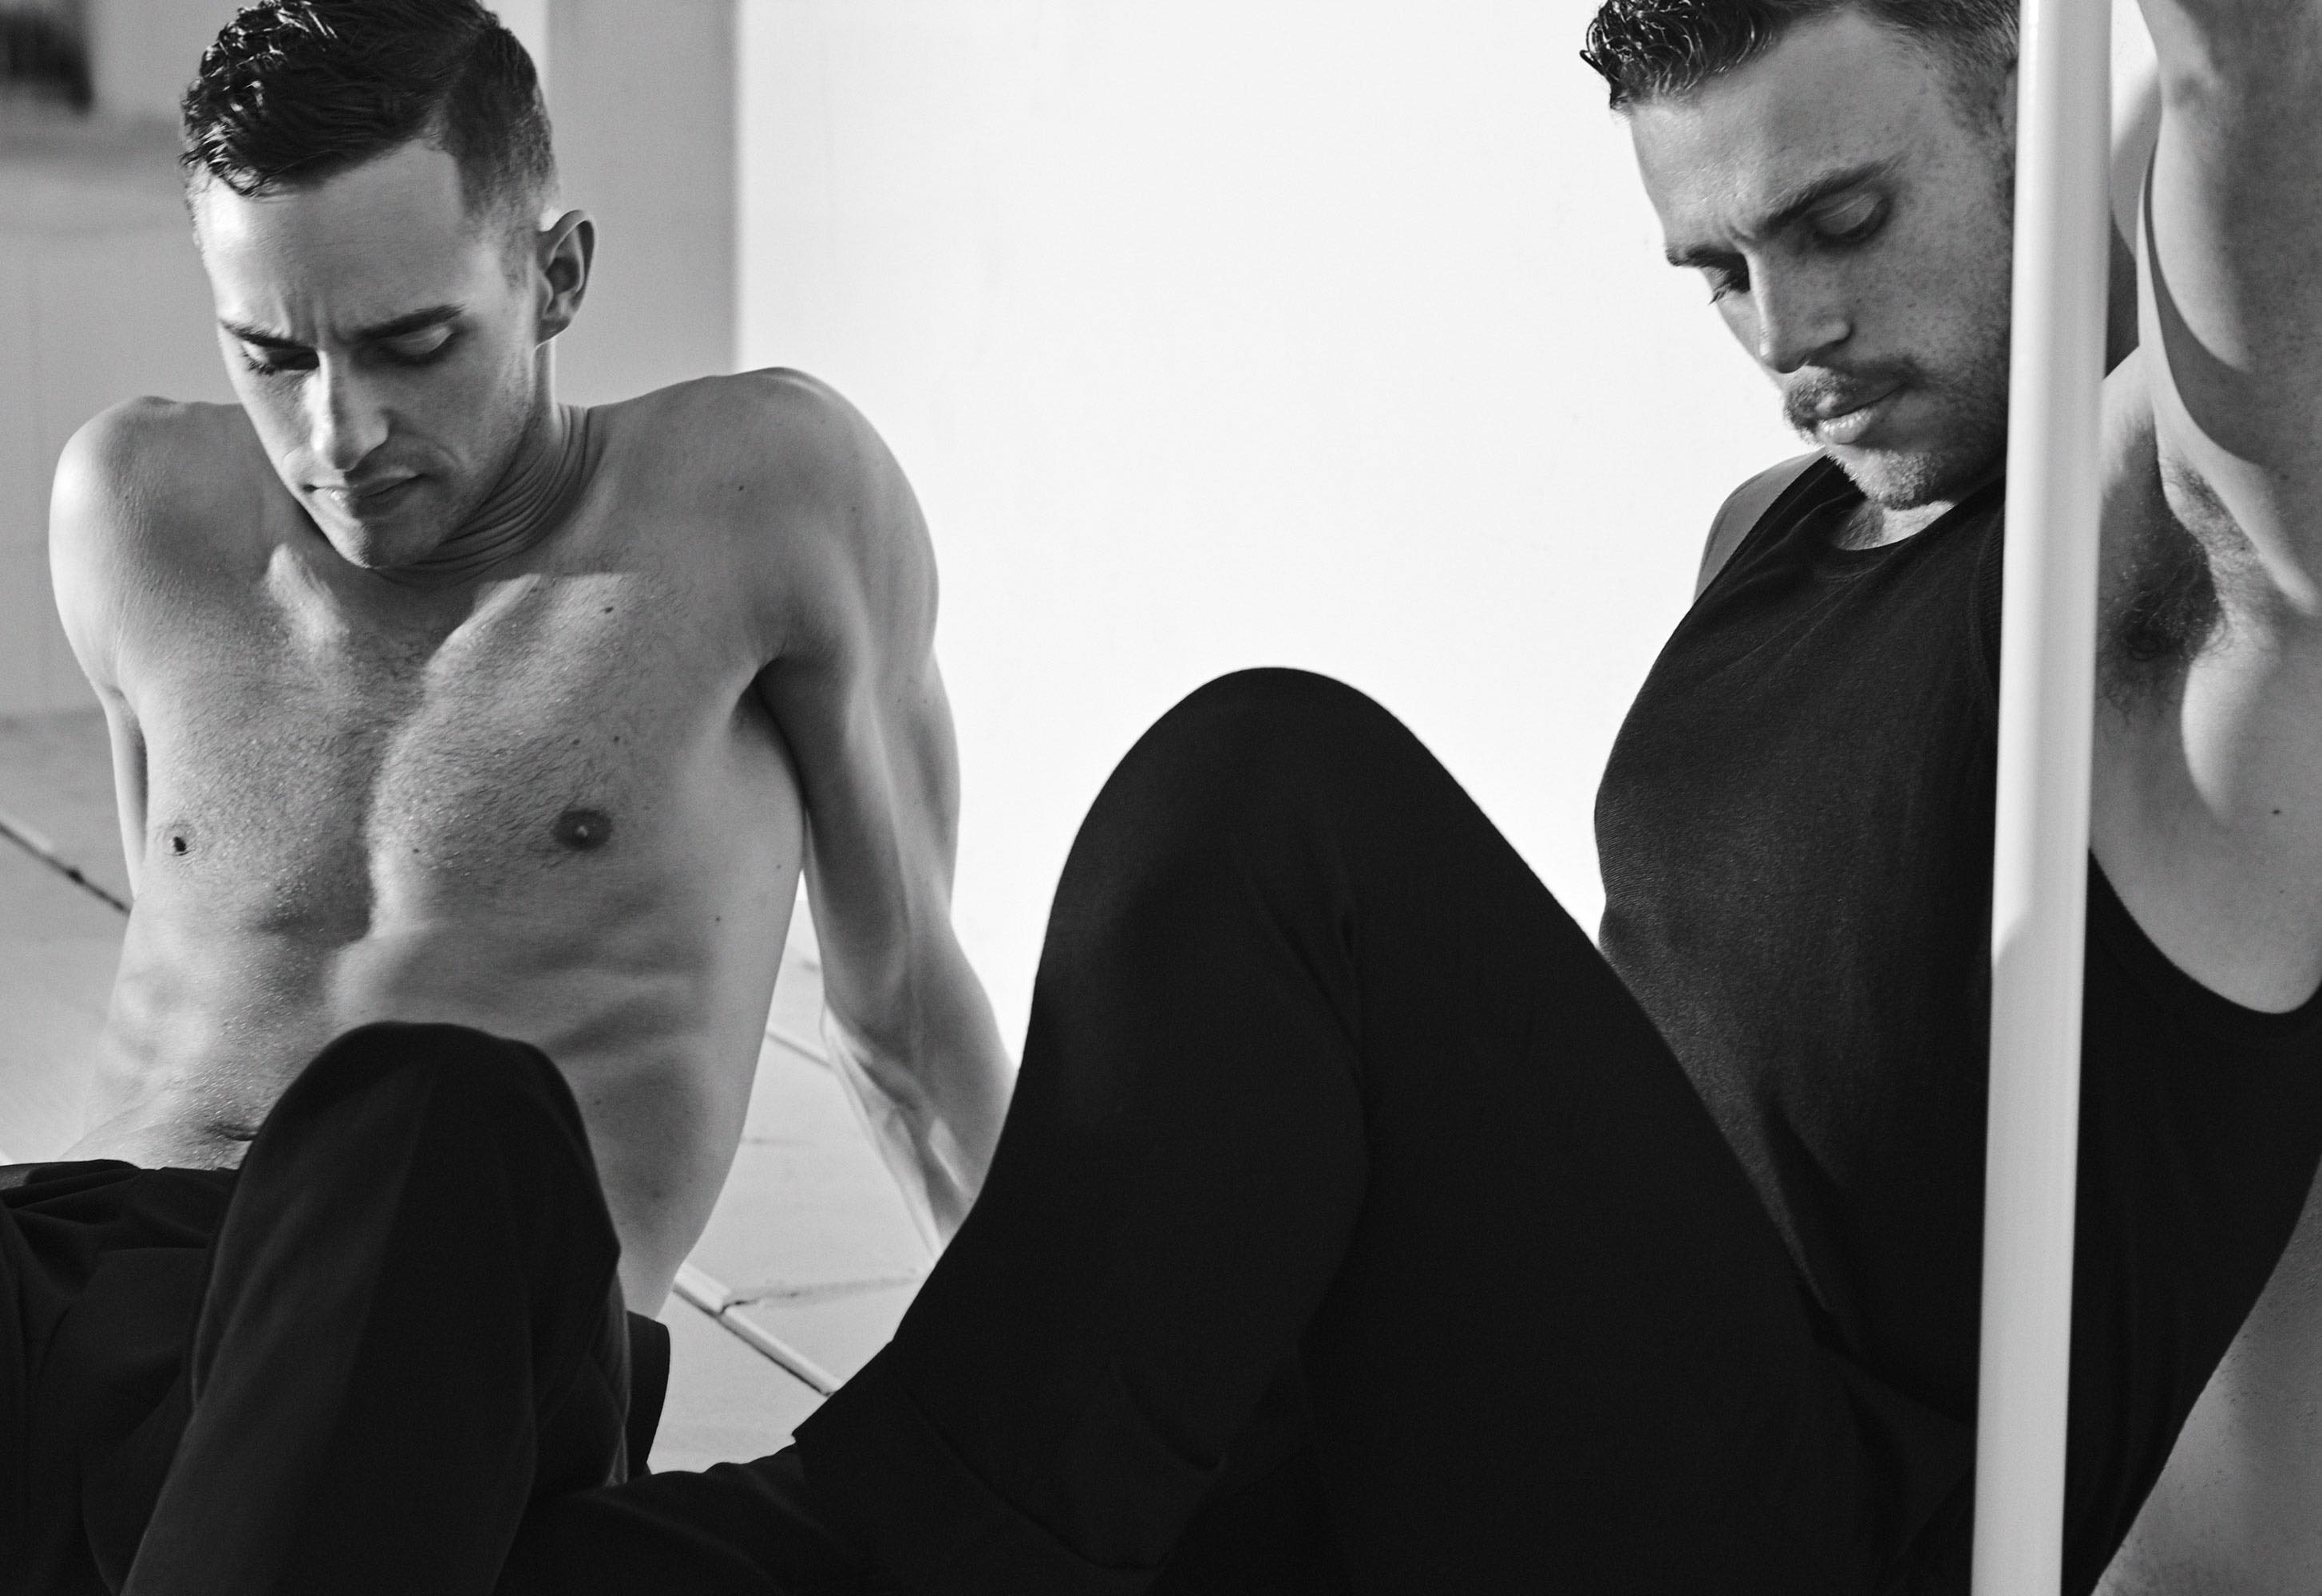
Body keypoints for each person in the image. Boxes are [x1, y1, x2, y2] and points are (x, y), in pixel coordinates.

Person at [28, 1, 2322, 1594]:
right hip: (1511, 1451)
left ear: (2034, 110)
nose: (1786, 327)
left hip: (1803, 1529)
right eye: (1716, 267)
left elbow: (2254, 138)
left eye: (1844, 217)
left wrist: (2231, 75)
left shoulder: (2171, 595)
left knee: (1274, 796)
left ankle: (886, 1531)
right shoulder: (1773, 542)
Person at [6, 1, 1010, 1590]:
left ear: (556, 275)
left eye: (412, 345)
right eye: (272, 355)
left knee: (425, 1112)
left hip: (453, 1324)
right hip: (86, 1276)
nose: (339, 433)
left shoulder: (761, 497)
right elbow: (189, 949)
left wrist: (1051, 1448)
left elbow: (904, 1029)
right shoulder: (135, 507)